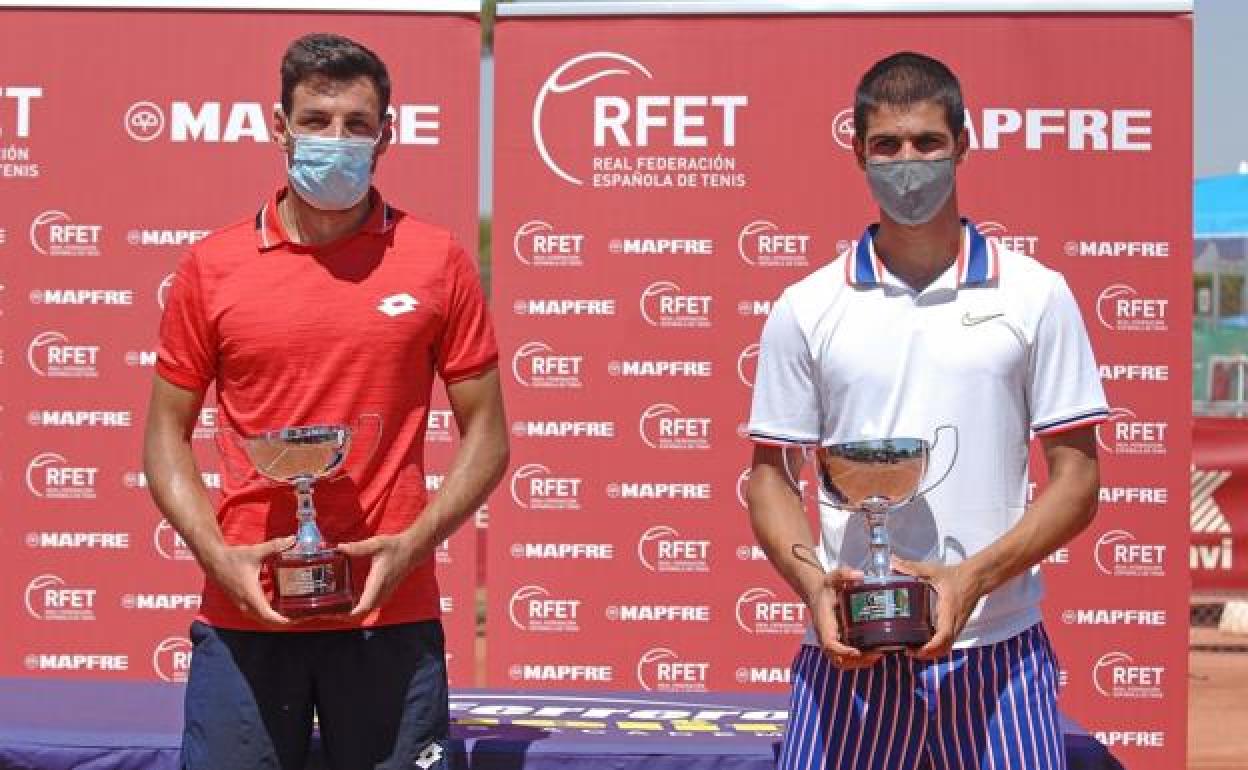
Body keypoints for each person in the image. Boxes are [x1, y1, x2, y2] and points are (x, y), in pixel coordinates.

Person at [143, 33, 508, 770]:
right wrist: (218, 556)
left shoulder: (437, 259)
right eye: (315, 121)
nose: (335, 139)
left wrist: (414, 544)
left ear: (386, 134)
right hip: (247, 614)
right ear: (279, 129)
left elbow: (489, 438)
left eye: (356, 124)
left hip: (390, 613)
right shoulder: (211, 266)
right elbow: (162, 436)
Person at [746, 51, 1105, 770]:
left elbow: (1077, 482)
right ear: (858, 153)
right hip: (848, 662)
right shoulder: (808, 306)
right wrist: (816, 585)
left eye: (927, 143)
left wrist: (974, 577)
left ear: (962, 147)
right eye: (886, 145)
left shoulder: (1035, 295)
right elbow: (768, 479)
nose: (906, 163)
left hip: (1000, 656)